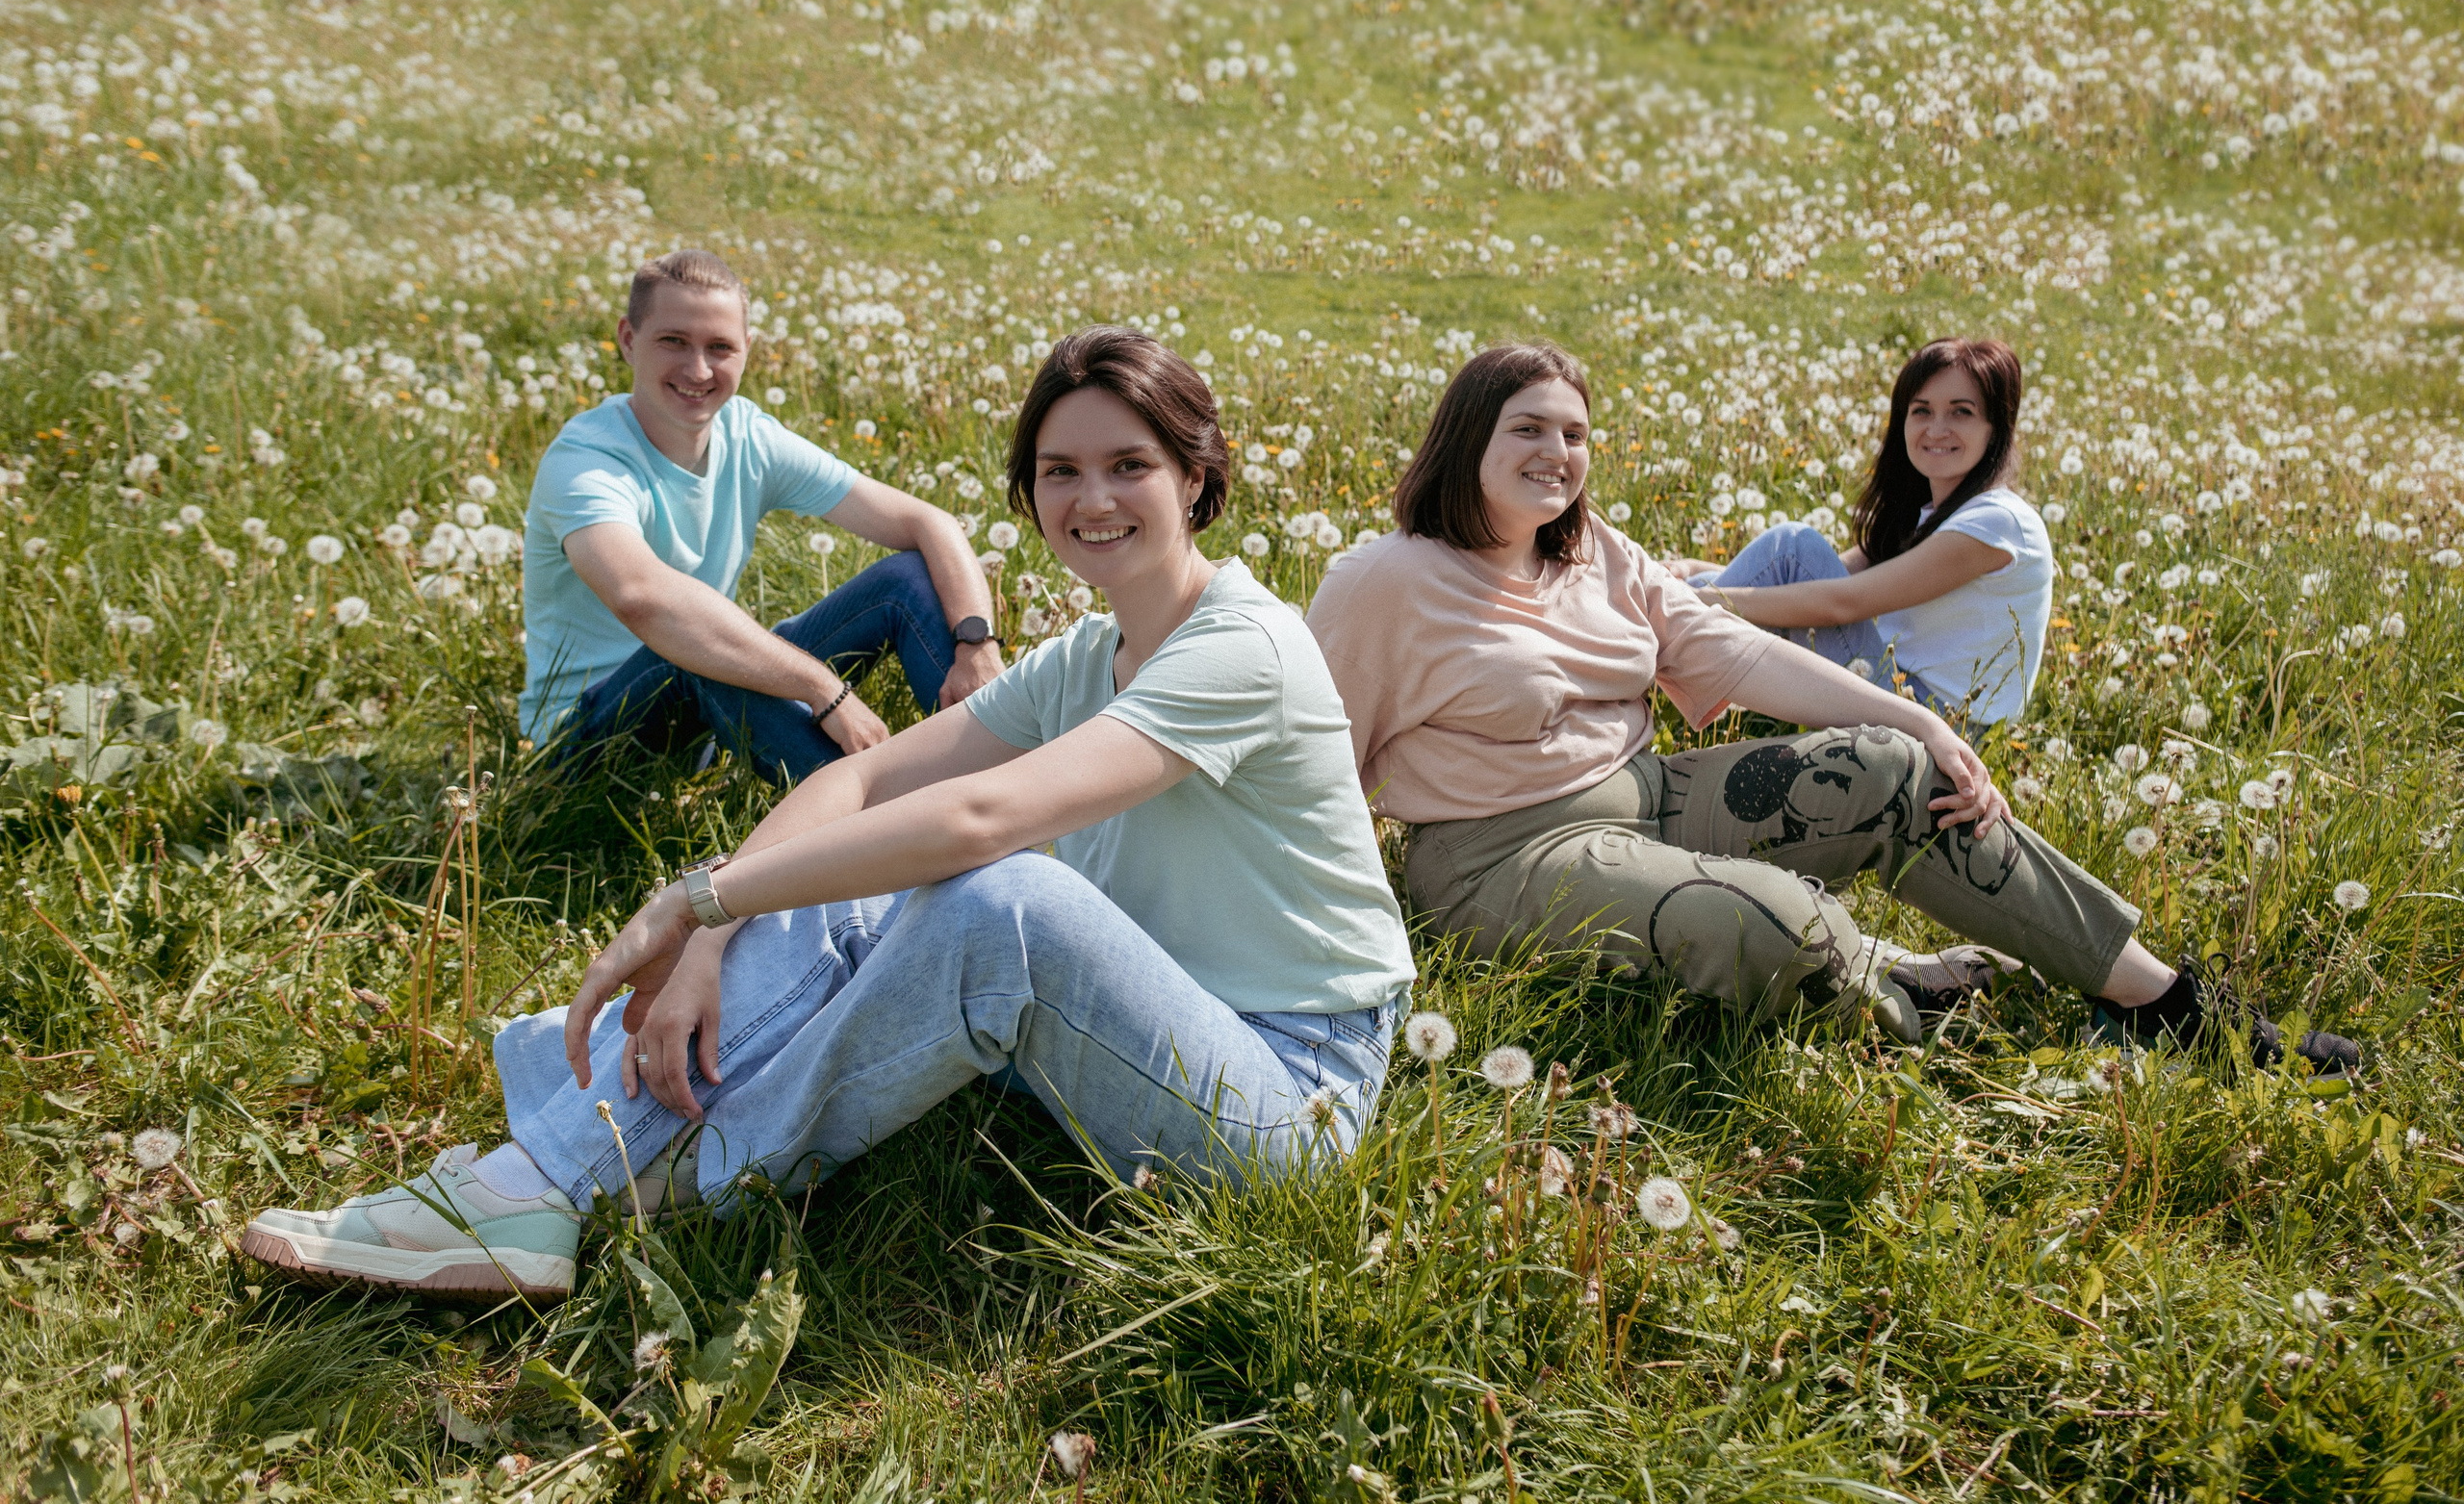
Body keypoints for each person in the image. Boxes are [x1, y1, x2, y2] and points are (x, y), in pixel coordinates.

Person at [241, 327, 1416, 1299]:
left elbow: (978, 819)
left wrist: (702, 893)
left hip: (1282, 1093)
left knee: (993, 897)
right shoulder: (1086, 655)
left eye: (1129, 466)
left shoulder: (1245, 648)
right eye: (1060, 471)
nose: (1090, 497)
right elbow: (854, 782)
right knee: (860, 870)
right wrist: (709, 932)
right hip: (1154, 1020)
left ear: (1197, 478)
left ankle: (572, 1182)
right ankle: (547, 1181)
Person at [1308, 341, 2355, 1074]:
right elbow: (1315, 768)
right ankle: (1906, 999)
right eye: (1528, 427)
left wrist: (1924, 727)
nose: (1558, 453)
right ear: (1466, 438)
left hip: (1644, 797)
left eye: (1576, 434)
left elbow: (1731, 649)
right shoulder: (1384, 583)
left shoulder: (1596, 554)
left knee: (1901, 776)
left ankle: (2162, 1003)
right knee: (1773, 918)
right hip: (1499, 860)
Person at [519, 248, 1005, 785]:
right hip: (581, 747)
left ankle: (989, 779)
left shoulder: (748, 437)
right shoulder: (586, 461)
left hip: (705, 702)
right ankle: (896, 833)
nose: (699, 369)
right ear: (629, 340)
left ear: (747, 350)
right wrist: (823, 687)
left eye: (720, 347)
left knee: (905, 581)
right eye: (673, 341)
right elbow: (644, 600)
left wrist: (976, 643)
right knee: (690, 648)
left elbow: (927, 522)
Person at [1662, 338, 2051, 727]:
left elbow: (1842, 603)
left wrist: (1696, 599)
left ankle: (1650, 657)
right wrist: (1696, 574)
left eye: (1961, 413)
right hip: (1903, 695)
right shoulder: (1936, 517)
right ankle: (1660, 645)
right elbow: (1819, 581)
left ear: (1995, 426)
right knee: (1781, 557)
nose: (1936, 429)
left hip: (1941, 723)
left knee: (1793, 550)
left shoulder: (1998, 522)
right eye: (1921, 411)